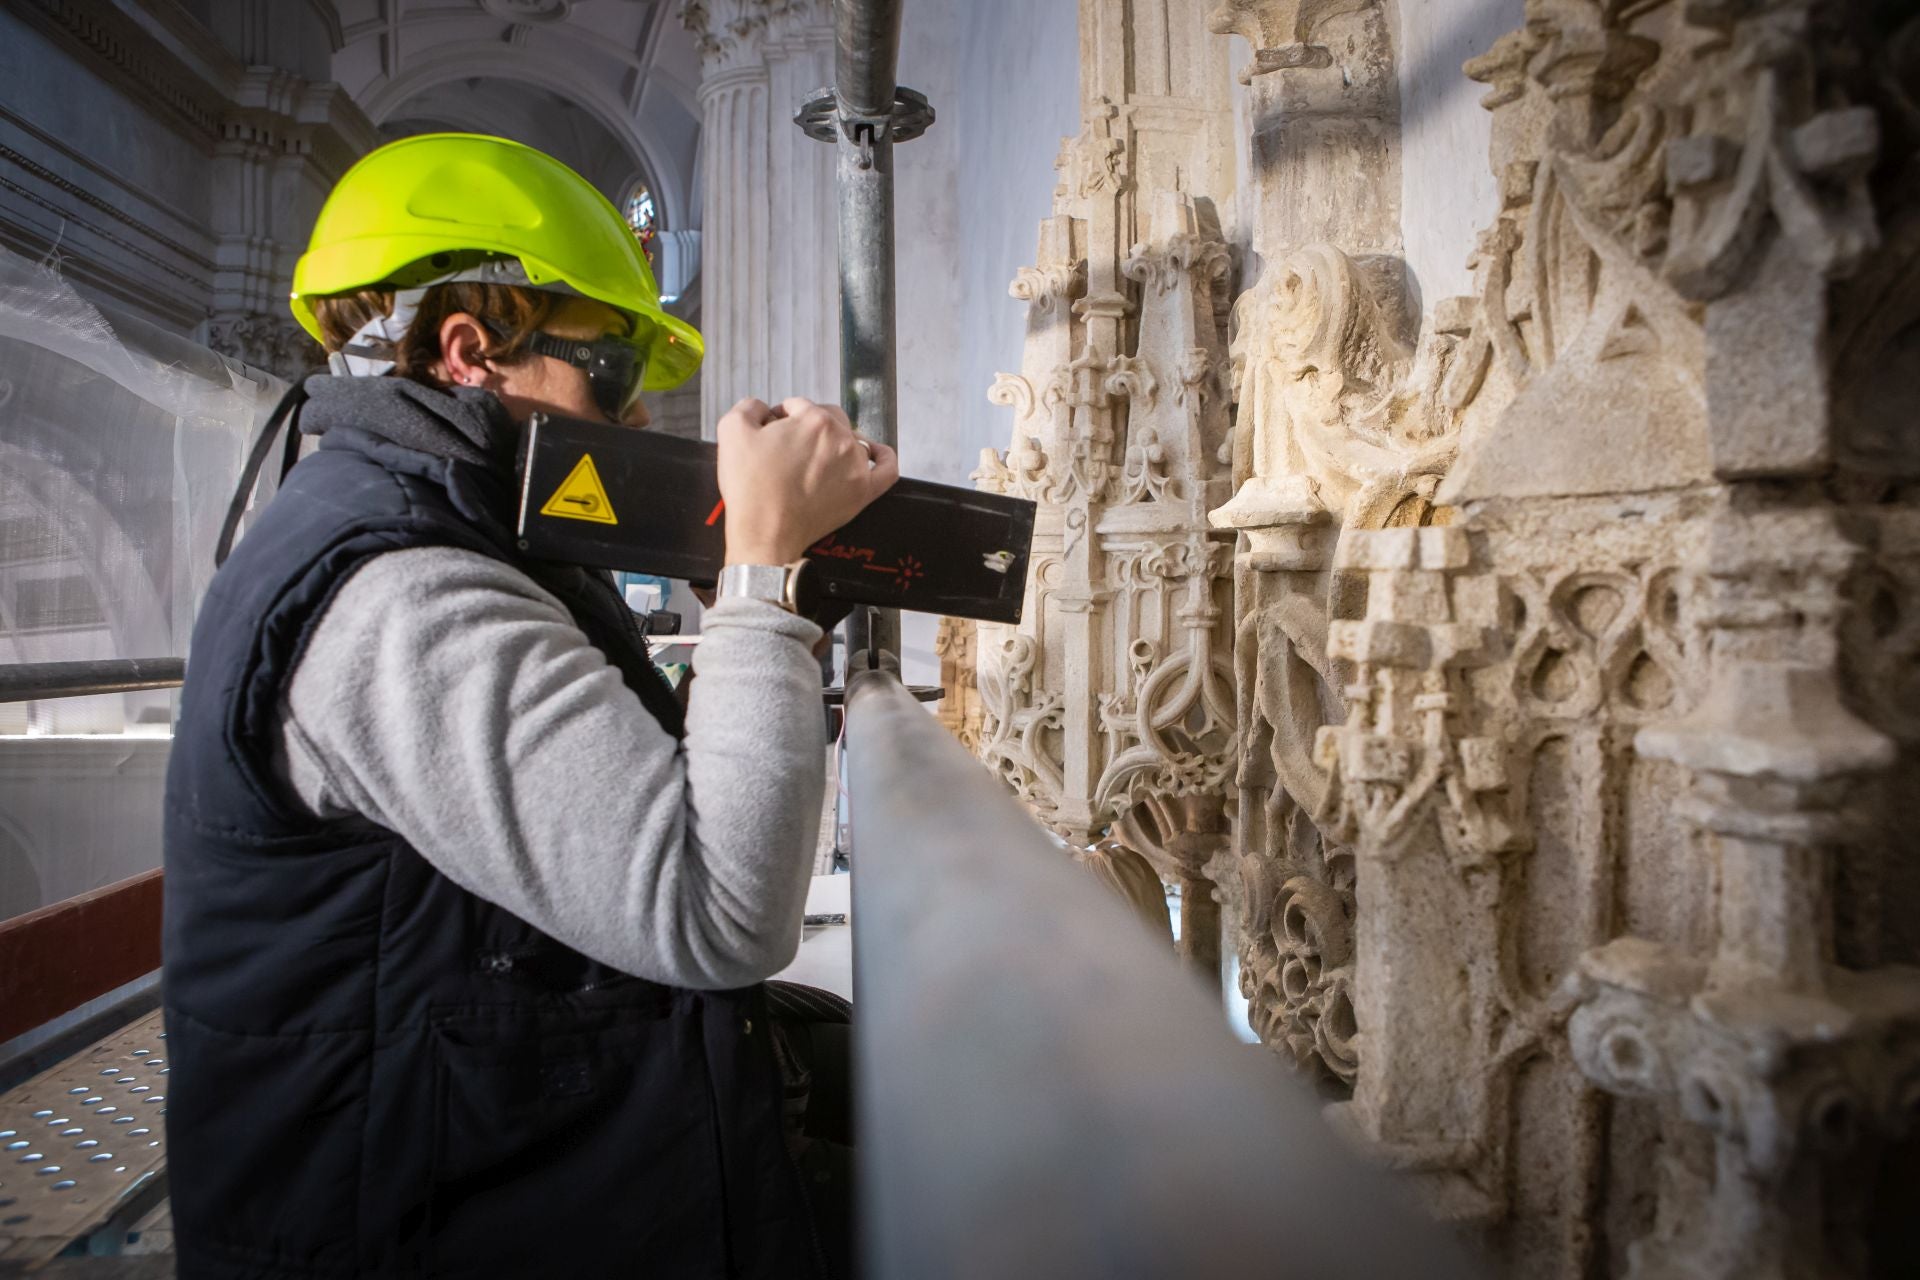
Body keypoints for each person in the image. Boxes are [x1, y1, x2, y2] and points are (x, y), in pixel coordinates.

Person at [161, 132, 893, 1279]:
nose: (640, 417)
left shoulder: (458, 533)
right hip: (409, 1214)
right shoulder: (398, 596)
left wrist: (771, 584)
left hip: (490, 1124)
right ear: (470, 353)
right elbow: (719, 910)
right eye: (612, 371)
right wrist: (757, 580)